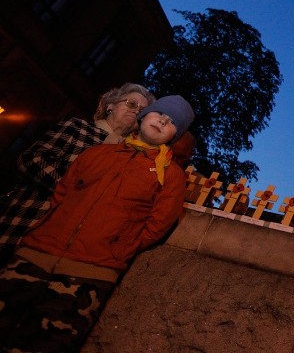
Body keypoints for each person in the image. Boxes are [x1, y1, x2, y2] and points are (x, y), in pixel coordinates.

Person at [0, 95, 195, 352]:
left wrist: (117, 249)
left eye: (171, 123)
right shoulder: (97, 153)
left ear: (173, 136)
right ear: (143, 117)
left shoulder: (170, 176)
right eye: (160, 113)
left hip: (89, 274)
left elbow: (157, 226)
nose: (162, 120)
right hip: (33, 256)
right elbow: (63, 193)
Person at [0, 82, 155, 264]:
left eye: (142, 110)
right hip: (28, 220)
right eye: (131, 103)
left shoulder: (128, 155)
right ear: (110, 105)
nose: (136, 111)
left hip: (60, 246)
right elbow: (31, 160)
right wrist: (71, 192)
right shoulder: (78, 128)